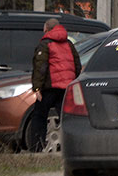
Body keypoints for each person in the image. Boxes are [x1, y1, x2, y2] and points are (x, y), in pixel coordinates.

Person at [30, 18, 81, 151]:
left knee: (39, 115)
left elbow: (41, 67)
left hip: (50, 87)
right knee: (67, 118)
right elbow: (77, 65)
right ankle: (72, 147)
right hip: (67, 88)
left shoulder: (45, 44)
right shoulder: (69, 44)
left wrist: (37, 88)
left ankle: (37, 147)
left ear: (46, 28)